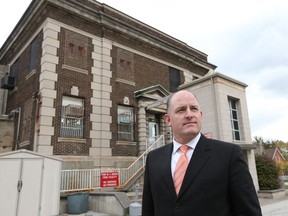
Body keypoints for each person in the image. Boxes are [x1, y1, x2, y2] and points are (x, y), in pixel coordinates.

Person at [141, 90, 262, 216]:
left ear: (200, 114)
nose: (189, 115)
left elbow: (249, 212)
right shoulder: (153, 159)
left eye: (193, 109)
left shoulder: (229, 155)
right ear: (168, 119)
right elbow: (148, 210)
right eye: (181, 110)